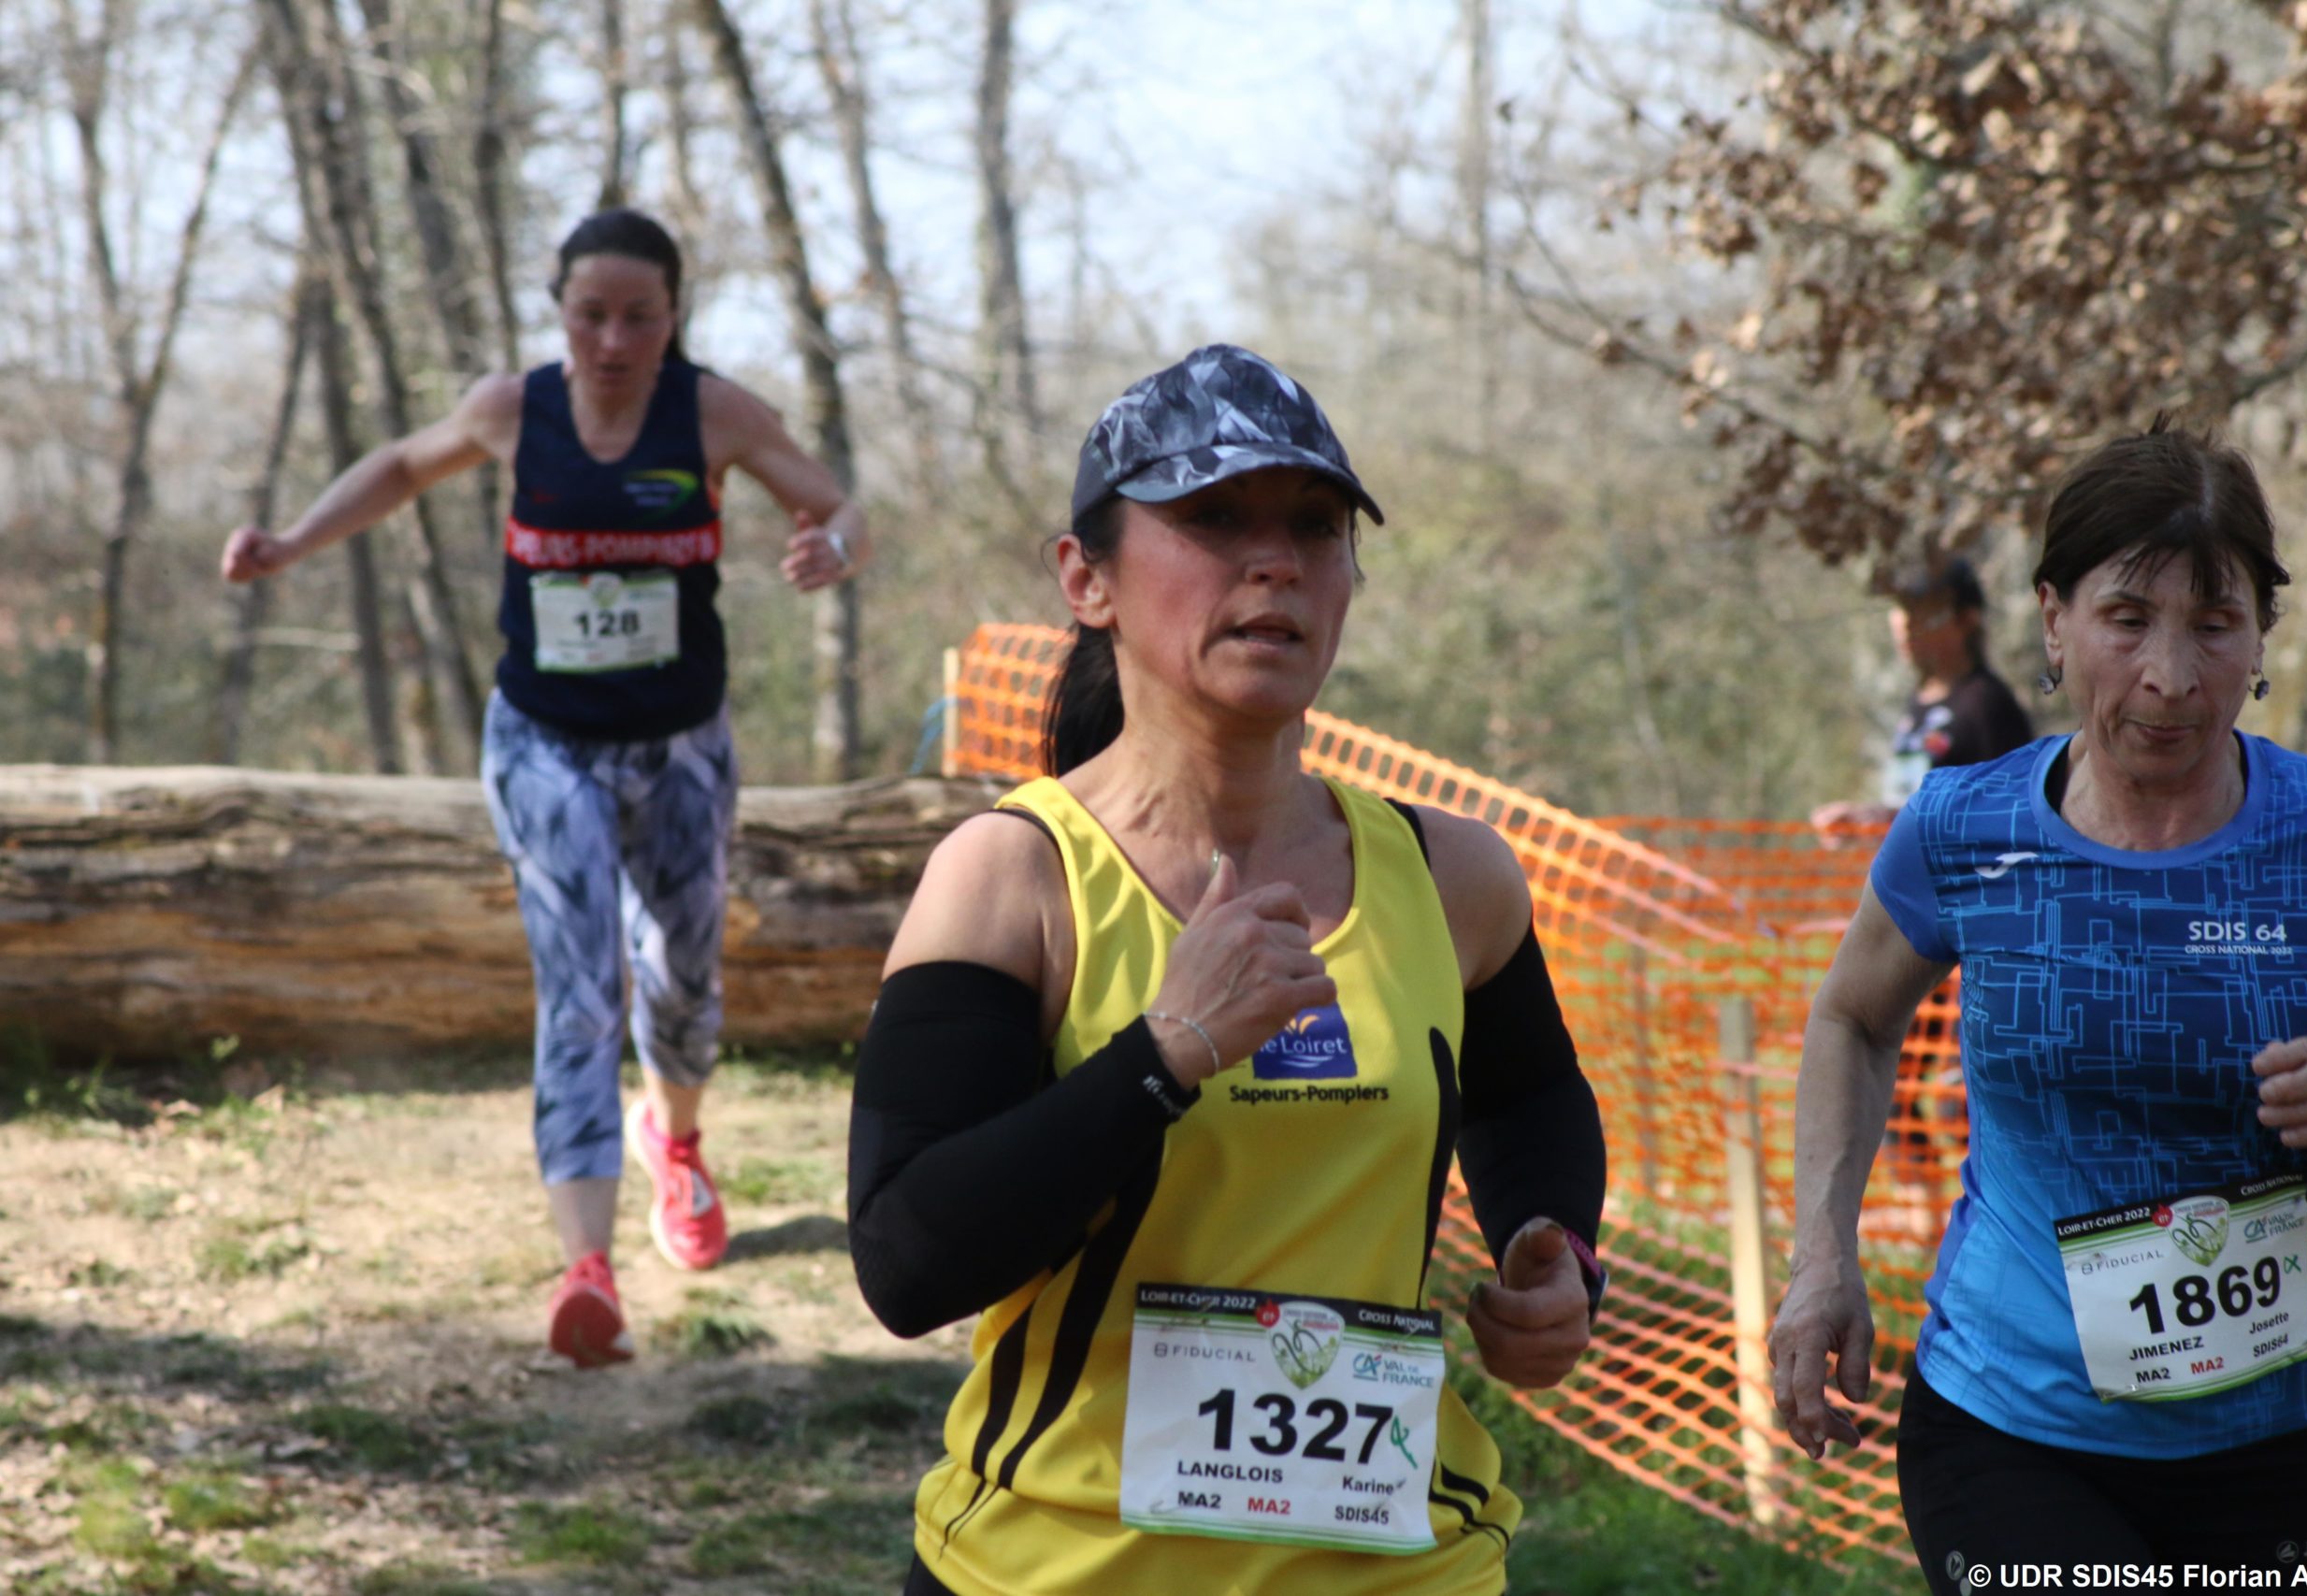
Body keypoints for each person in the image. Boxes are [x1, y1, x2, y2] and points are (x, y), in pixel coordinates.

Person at [846, 345, 1608, 1596]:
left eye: (1314, 525)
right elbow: (904, 1259)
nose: (1275, 562)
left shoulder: (1454, 876)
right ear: (1084, 576)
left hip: (1397, 1571)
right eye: (1211, 519)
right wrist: (1164, 1054)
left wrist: (1552, 1242)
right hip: (1059, 1571)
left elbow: (1529, 1094)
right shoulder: (1014, 877)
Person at [221, 208, 868, 1367]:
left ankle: (676, 1146)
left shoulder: (711, 413)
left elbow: (840, 502)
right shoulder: (512, 409)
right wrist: (292, 543)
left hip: (680, 742)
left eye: (639, 317)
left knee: (681, 976)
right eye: (590, 315)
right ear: (559, 312)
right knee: (580, 988)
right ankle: (588, 1271)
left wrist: (835, 545)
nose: (613, 340)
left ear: (673, 317)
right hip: (544, 742)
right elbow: (401, 466)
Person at [1770, 422, 2307, 1591]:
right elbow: (1850, 1021)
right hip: (2006, 1427)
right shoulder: (1962, 826)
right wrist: (1821, 1260)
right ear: (2053, 620)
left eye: (2214, 625)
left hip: (2261, 1444)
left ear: (2261, 635)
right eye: (2127, 619)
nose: (2170, 675)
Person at [1810, 556, 2034, 841]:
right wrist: (1866, 820)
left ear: (1966, 620)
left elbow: (2008, 816)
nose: (1906, 624)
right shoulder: (1919, 702)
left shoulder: (1987, 705)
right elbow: (1910, 804)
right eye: (1902, 609)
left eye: (1923, 612)